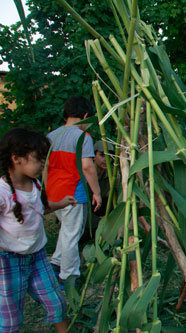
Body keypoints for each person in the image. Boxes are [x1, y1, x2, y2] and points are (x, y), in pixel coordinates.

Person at [0, 128, 77, 332]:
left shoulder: (35, 184)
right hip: (8, 263)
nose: (44, 163)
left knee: (57, 303)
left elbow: (39, 208)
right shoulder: (2, 191)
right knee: (10, 319)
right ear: (17, 159)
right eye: (39, 158)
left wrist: (61, 203)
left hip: (38, 257)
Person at [46, 96, 102, 283]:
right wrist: (97, 192)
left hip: (54, 193)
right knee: (72, 235)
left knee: (66, 231)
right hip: (73, 194)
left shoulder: (52, 136)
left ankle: (56, 262)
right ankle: (69, 276)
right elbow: (87, 167)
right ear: (86, 116)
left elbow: (44, 167)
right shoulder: (82, 137)